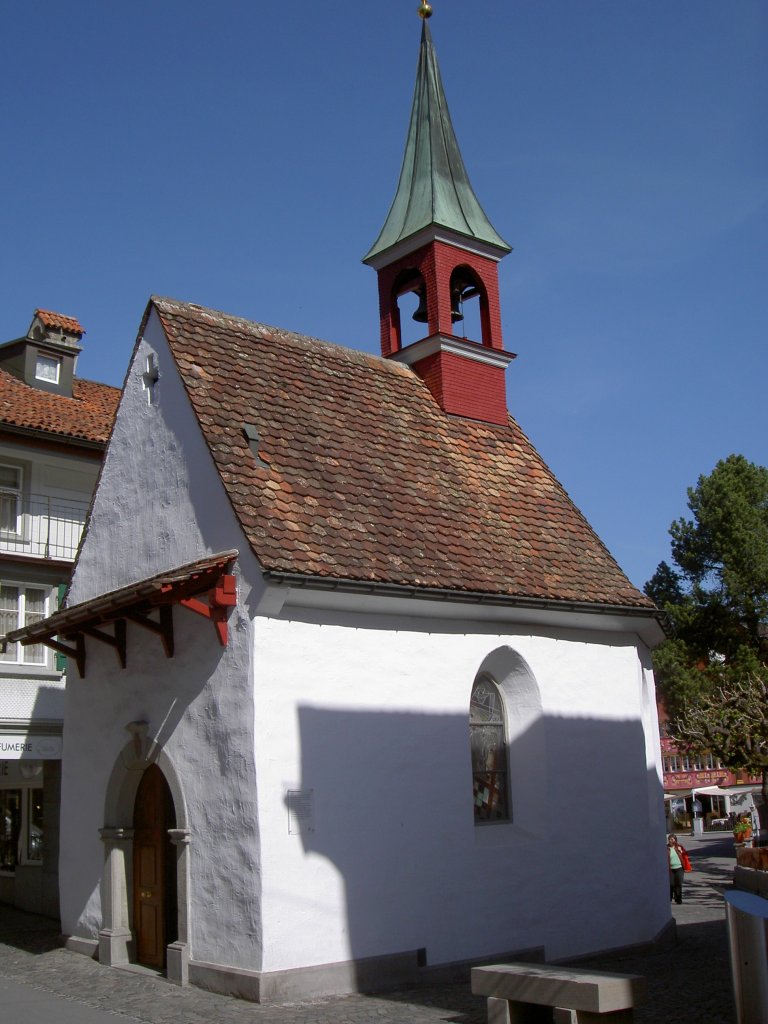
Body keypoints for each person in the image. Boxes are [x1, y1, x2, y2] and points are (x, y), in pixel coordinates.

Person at [667, 834, 689, 904]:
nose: (671, 840)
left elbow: (686, 854)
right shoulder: (666, 848)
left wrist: (681, 851)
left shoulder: (679, 847)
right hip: (670, 869)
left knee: (678, 884)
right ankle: (669, 899)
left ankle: (678, 899)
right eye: (670, 839)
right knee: (671, 884)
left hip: (679, 868)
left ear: (675, 840)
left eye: (673, 839)